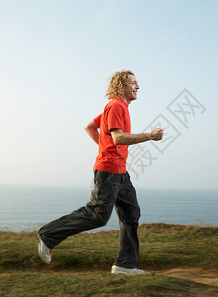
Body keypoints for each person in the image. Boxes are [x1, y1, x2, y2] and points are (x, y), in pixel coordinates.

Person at [37, 69, 163, 275]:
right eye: (133, 83)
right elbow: (119, 138)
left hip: (120, 172)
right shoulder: (115, 106)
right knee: (98, 215)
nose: (138, 87)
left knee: (131, 212)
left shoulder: (119, 107)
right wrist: (149, 136)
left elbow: (89, 127)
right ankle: (47, 234)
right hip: (109, 171)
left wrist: (104, 147)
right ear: (122, 85)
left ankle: (125, 265)